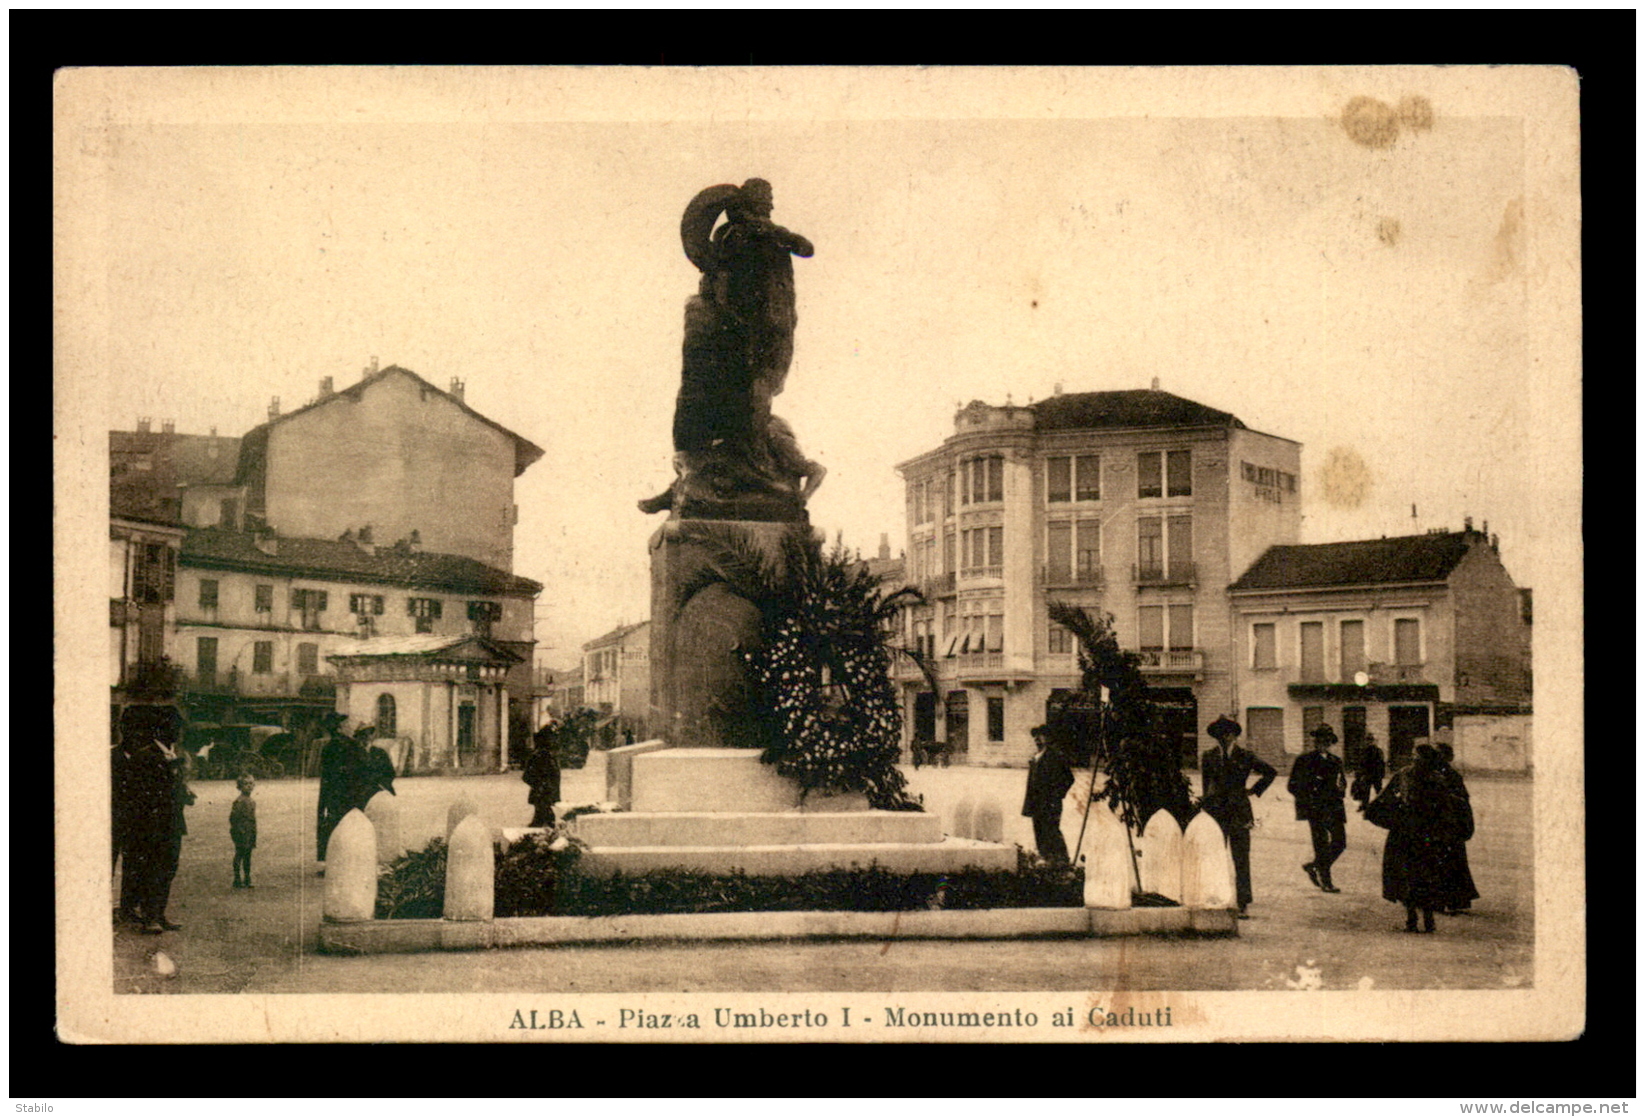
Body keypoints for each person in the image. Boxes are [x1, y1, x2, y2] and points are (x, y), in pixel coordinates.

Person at [1367, 744, 1475, 932]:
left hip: (1405, 834)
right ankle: (1427, 919)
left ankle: (1413, 920)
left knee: (1407, 875)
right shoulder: (1437, 779)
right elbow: (1449, 809)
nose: (1415, 761)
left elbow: (1380, 803)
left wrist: (1392, 819)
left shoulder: (1404, 775)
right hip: (1428, 835)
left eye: (1416, 757)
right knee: (1426, 875)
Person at [1199, 715, 1277, 918]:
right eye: (1219, 734)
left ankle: (1243, 901)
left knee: (1241, 857)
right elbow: (1206, 785)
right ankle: (1215, 896)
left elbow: (1270, 772)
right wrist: (1205, 809)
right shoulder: (1208, 756)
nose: (1224, 738)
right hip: (1216, 812)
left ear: (1234, 735)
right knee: (1214, 855)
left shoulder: (1245, 756)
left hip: (1239, 812)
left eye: (1227, 734)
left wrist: (1254, 790)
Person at [1288, 724, 1348, 892]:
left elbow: (1342, 782)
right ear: (1315, 741)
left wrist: (1341, 789)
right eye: (1319, 739)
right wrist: (1309, 797)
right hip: (1315, 809)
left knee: (1340, 842)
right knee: (1321, 845)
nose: (1323, 743)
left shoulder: (1336, 761)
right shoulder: (1304, 760)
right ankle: (1326, 882)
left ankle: (1314, 866)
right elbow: (1292, 785)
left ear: (1331, 742)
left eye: (1327, 740)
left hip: (1334, 808)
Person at [1434, 738, 1480, 914]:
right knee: (1451, 863)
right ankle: (1453, 900)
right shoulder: (1445, 774)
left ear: (1445, 757)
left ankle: (1446, 900)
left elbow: (1462, 802)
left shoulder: (1448, 775)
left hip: (1447, 826)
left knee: (1446, 862)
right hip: (1448, 827)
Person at [1022, 725, 1074, 865]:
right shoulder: (1036, 757)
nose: (1037, 739)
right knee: (1039, 831)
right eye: (1035, 737)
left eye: (1041, 736)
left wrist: (1056, 795)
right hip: (1036, 802)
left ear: (1048, 738)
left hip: (1050, 802)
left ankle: (1062, 861)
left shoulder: (1055, 756)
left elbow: (1069, 778)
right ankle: (1046, 860)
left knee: (1051, 831)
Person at [315, 715, 355, 867]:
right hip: (347, 792)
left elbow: (325, 774)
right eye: (346, 725)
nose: (349, 727)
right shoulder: (351, 745)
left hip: (331, 792)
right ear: (339, 728)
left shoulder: (327, 747)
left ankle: (327, 858)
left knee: (331, 823)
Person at [523, 720, 563, 828]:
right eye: (551, 738)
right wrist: (540, 784)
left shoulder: (548, 755)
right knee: (544, 812)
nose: (554, 741)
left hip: (544, 790)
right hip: (543, 790)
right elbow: (527, 775)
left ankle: (543, 825)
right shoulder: (541, 755)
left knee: (542, 812)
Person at [230, 774, 258, 889]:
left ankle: (247, 877)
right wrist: (239, 830)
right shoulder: (239, 801)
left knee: (248, 855)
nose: (249, 786)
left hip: (250, 830)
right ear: (240, 786)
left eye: (251, 784)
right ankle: (237, 878)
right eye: (246, 784)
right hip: (241, 831)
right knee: (240, 853)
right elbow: (233, 818)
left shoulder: (251, 801)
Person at [1351, 733, 1386, 811]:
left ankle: (1382, 805)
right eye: (1368, 740)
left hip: (1376, 774)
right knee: (1365, 790)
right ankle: (1364, 805)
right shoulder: (1364, 751)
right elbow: (1360, 763)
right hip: (1367, 774)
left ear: (1373, 741)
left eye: (1370, 740)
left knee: (1378, 790)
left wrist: (1381, 774)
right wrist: (1359, 774)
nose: (1369, 742)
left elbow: (1381, 763)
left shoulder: (1378, 751)